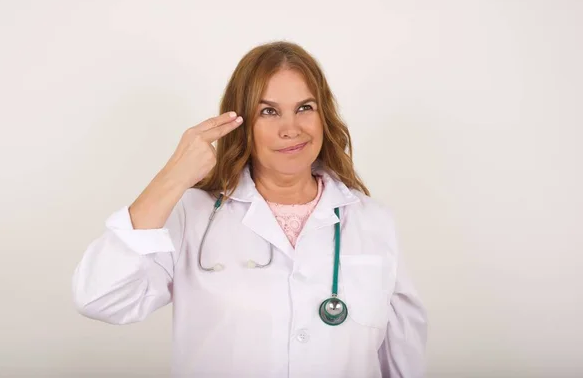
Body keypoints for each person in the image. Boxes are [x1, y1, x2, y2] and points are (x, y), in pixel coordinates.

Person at [72, 41, 427, 377]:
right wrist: (171, 179)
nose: (291, 129)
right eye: (269, 111)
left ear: (324, 118)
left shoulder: (372, 220)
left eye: (305, 108)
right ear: (240, 123)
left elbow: (402, 357)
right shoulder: (192, 215)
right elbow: (100, 298)